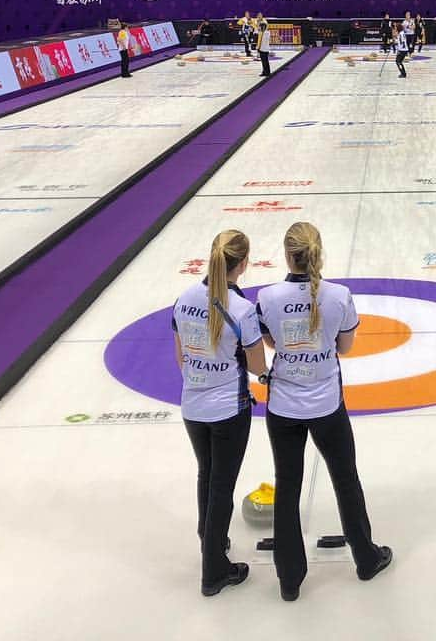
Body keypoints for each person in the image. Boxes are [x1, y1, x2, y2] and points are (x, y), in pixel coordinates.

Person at [257, 222, 392, 601]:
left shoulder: (267, 297)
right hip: (327, 403)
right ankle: (366, 558)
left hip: (283, 404)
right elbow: (345, 347)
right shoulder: (339, 295)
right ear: (319, 253)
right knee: (345, 478)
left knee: (287, 485)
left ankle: (289, 579)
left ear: (287, 255)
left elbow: (269, 341)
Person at [173, 230, 268, 596]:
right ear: (243, 265)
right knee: (221, 486)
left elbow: (180, 355)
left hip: (193, 406)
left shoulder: (184, 299)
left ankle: (209, 540)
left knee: (207, 475)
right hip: (228, 408)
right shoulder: (242, 310)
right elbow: (257, 364)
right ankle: (214, 570)